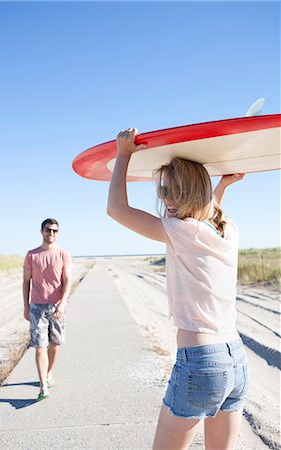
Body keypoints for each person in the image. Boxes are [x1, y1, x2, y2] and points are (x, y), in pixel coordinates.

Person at [107, 128, 249, 450]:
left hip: (200, 362)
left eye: (174, 192)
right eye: (164, 192)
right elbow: (209, 211)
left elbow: (116, 209)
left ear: (191, 193)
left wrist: (124, 154)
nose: (166, 200)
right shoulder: (228, 231)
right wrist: (222, 186)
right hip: (236, 360)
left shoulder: (179, 231)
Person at [23, 218, 72, 401]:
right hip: (37, 307)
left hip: (57, 306)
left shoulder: (63, 254)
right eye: (48, 230)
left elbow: (67, 281)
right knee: (40, 345)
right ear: (41, 231)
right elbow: (26, 282)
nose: (51, 233)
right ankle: (43, 385)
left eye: (54, 231)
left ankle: (49, 373)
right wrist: (26, 307)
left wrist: (63, 303)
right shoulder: (31, 255)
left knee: (55, 343)